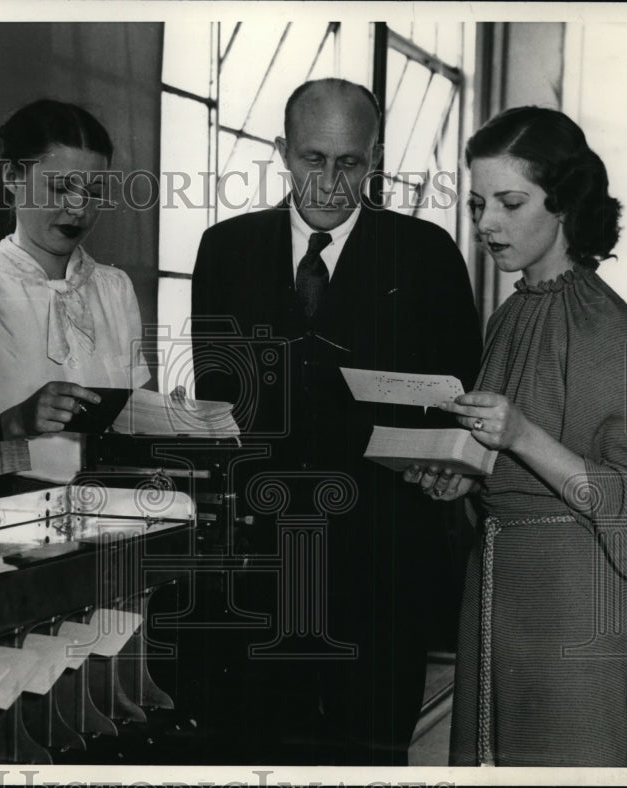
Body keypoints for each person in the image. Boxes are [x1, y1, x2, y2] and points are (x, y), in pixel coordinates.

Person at [189, 78, 482, 764]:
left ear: (374, 158)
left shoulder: (426, 254)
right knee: (258, 752)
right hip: (260, 561)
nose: (329, 182)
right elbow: (220, 399)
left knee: (371, 754)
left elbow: (460, 399)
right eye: (313, 159)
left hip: (384, 565)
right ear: (282, 152)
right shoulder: (226, 249)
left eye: (349, 162)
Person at [405, 106, 627, 767]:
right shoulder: (508, 317)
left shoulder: (610, 328)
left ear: (564, 203)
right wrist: (465, 475)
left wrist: (519, 435)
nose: (486, 223)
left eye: (510, 202)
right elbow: (515, 473)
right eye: (477, 203)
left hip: (575, 604)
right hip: (495, 591)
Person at [0, 98, 149, 439]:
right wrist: (17, 421)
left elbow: (135, 424)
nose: (78, 208)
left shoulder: (115, 288)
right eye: (59, 188)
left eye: (94, 192)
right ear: (11, 177)